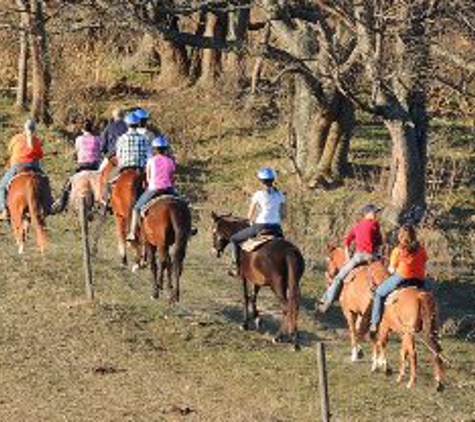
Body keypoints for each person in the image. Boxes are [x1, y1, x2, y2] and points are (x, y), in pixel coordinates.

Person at [318, 204, 383, 313]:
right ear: (367, 213)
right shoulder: (375, 224)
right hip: (372, 256)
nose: (376, 214)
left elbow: (347, 241)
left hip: (358, 257)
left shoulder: (357, 226)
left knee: (339, 278)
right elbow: (379, 242)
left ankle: (327, 301)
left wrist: (348, 256)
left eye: (376, 212)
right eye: (374, 212)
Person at [369, 225, 428, 335]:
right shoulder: (421, 249)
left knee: (379, 293)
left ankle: (374, 323)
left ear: (400, 236)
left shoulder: (398, 250)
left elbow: (391, 270)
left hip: (403, 278)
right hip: (419, 280)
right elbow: (424, 260)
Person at [228, 167, 286, 276]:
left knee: (234, 239)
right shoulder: (280, 194)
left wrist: (250, 222)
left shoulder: (258, 194)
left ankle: (235, 266)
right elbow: (283, 215)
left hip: (260, 226)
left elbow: (250, 215)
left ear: (260, 181)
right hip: (277, 228)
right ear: (273, 179)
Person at [127, 135, 177, 241]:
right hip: (168, 188)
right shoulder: (170, 161)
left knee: (136, 208)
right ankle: (189, 227)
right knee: (184, 203)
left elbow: (149, 178)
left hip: (154, 189)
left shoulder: (151, 161)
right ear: (166, 149)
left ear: (154, 149)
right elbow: (172, 177)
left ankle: (132, 233)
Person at [0, 119, 48, 220]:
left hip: (18, 166)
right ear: (34, 129)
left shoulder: (16, 138)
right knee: (45, 182)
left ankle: (4, 210)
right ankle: (48, 205)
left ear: (24, 128)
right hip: (34, 166)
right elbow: (40, 155)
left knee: (2, 185)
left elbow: (10, 151)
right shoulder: (36, 140)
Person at [52, 119, 102, 214]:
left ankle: (61, 202)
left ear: (82, 129)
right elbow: (101, 151)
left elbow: (77, 151)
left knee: (68, 182)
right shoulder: (98, 139)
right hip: (95, 166)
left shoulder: (79, 139)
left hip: (83, 166)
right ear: (92, 128)